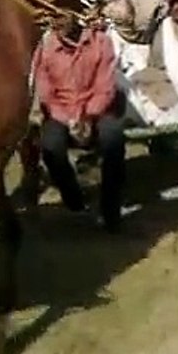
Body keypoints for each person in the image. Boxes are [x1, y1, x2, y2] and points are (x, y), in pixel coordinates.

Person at [32, 14, 127, 233]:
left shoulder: (101, 41)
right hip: (61, 112)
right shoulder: (45, 47)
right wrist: (68, 119)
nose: (61, 22)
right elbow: (46, 93)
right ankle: (73, 197)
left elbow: (105, 85)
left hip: (96, 108)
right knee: (50, 146)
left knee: (113, 139)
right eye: (56, 16)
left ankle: (111, 210)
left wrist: (89, 115)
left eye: (66, 15)